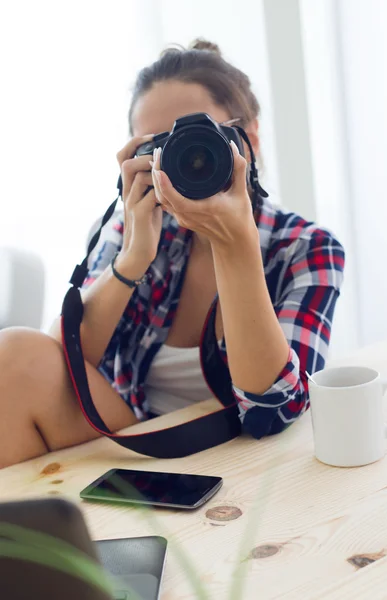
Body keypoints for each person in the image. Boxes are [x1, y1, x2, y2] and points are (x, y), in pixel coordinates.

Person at [0, 39, 345, 469]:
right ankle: (39, 530)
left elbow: (273, 411)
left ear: (249, 138)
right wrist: (132, 258)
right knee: (12, 356)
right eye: (159, 145)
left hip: (250, 458)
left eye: (196, 139)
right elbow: (58, 367)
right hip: (139, 440)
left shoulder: (305, 249)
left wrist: (234, 243)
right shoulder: (132, 224)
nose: (183, 160)